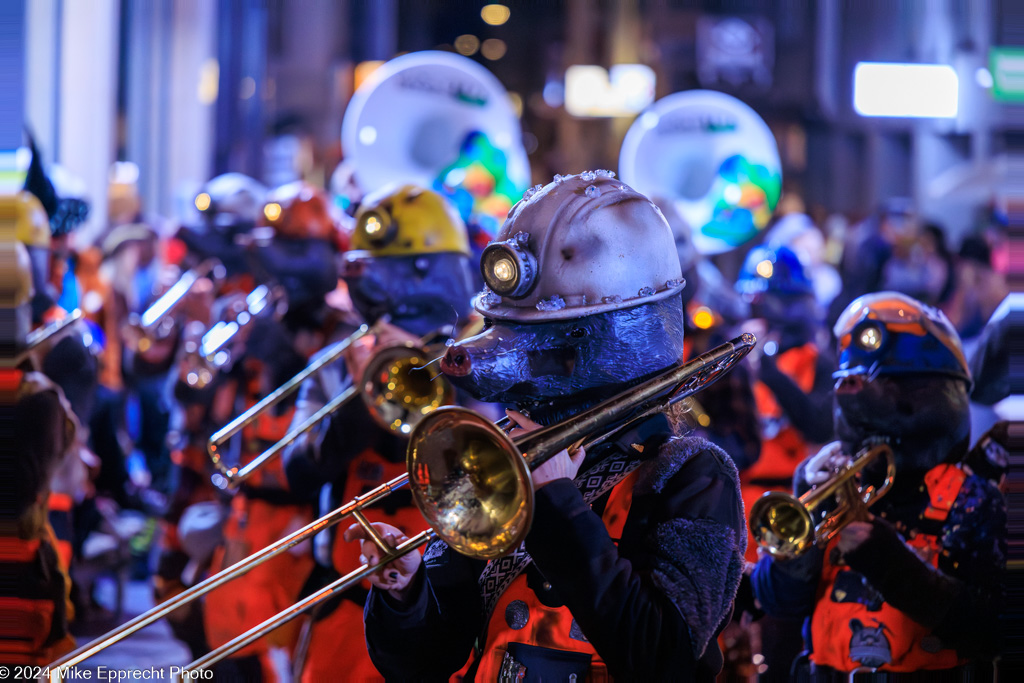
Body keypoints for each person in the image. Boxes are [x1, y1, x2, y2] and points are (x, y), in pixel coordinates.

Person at [349, 171, 747, 681]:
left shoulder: (690, 475)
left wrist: (558, 501)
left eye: (550, 346)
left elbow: (662, 656)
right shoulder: (499, 463)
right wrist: (407, 594)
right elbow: (422, 663)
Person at [750, 292, 1006, 680]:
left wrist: (888, 563)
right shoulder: (834, 487)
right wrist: (807, 515)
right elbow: (778, 602)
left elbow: (992, 629)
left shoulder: (972, 498)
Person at [282, 184, 479, 682]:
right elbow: (298, 471)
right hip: (344, 602)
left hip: (446, 607)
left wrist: (435, 373)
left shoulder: (482, 354)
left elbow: (489, 468)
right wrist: (361, 393)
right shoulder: (338, 359)